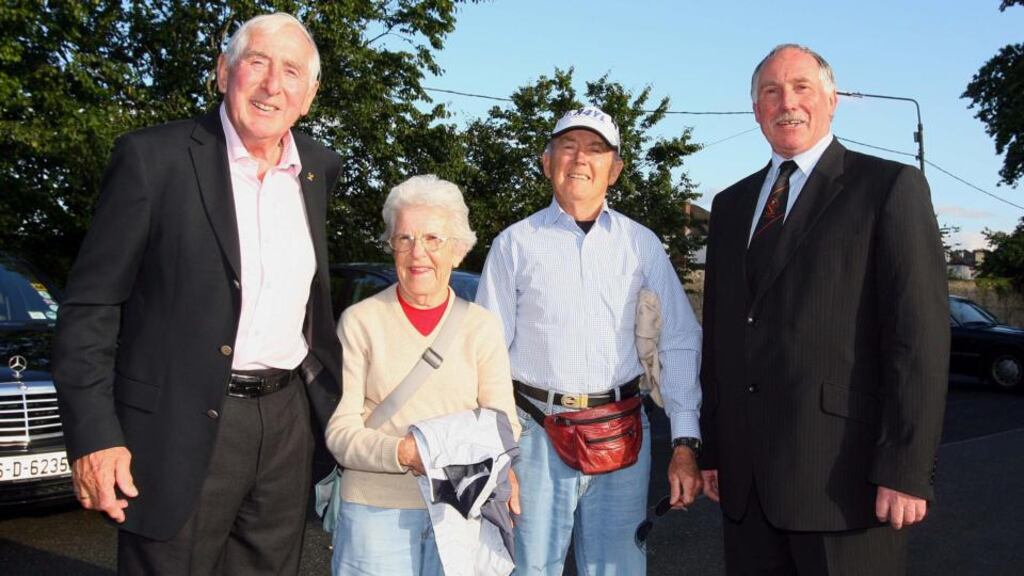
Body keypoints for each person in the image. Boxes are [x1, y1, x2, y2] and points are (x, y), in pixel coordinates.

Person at [52, 12, 342, 575]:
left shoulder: (318, 169)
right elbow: (90, 308)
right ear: (222, 72)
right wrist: (95, 436)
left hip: (284, 426)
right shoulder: (152, 159)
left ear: (309, 95)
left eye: (290, 71)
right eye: (256, 63)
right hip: (175, 428)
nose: (271, 84)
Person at [699, 44, 949, 575]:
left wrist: (905, 467)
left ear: (832, 100)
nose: (786, 101)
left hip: (844, 484)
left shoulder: (888, 188)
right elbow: (720, 337)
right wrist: (715, 449)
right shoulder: (730, 206)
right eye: (770, 91)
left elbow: (919, 341)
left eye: (801, 87)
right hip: (747, 489)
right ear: (756, 110)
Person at [476, 106, 704, 575]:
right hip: (534, 434)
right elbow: (486, 356)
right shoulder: (514, 244)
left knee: (617, 569)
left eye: (596, 149)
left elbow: (679, 340)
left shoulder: (642, 245)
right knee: (527, 568)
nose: (580, 158)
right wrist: (497, 451)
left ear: (615, 170)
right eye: (568, 145)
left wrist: (685, 442)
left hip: (622, 434)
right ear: (546, 161)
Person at [325, 174, 521, 576]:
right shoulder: (359, 322)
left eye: (434, 239)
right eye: (405, 238)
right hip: (374, 513)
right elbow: (339, 433)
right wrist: (404, 454)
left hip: (461, 513)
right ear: (391, 246)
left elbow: (505, 425)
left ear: (459, 250)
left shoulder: (481, 327)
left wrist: (436, 455)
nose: (418, 253)